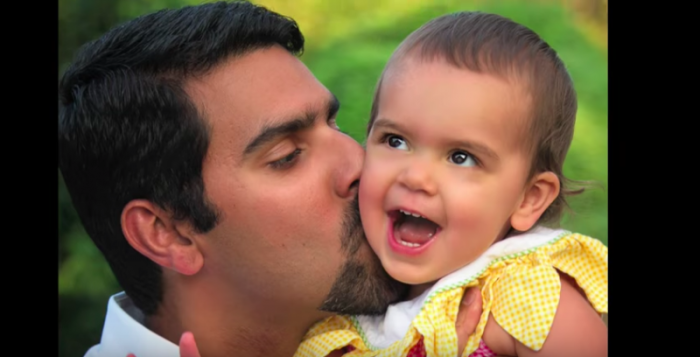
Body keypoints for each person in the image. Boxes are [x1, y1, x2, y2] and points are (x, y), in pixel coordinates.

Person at [57, 2, 485, 357]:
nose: (360, 162)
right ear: (168, 233)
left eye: (335, 124)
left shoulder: (469, 319)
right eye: (288, 156)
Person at [294, 11, 608, 357]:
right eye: (396, 140)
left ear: (528, 199)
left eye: (461, 157)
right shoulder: (343, 328)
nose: (415, 176)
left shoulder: (523, 296)